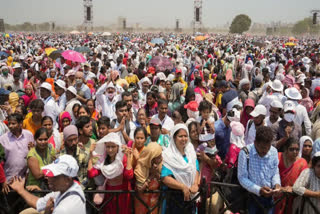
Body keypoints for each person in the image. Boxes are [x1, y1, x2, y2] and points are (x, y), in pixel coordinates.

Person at [9, 155, 86, 214]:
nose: (48, 177)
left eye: (55, 176)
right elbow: (38, 203)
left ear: (68, 180)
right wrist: (21, 190)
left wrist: (47, 212)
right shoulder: (70, 189)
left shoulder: (63, 209)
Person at [238, 126, 281, 214]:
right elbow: (242, 177)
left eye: (267, 147)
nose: (264, 150)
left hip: (269, 198)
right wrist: (259, 190)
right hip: (251, 197)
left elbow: (275, 172)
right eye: (262, 147)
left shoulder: (274, 152)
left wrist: (277, 184)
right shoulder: (245, 152)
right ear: (255, 143)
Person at [88, 132, 133, 214]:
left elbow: (129, 176)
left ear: (118, 147)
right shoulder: (103, 160)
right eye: (108, 147)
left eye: (113, 147)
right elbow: (91, 173)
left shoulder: (123, 159)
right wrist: (91, 155)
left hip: (122, 194)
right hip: (109, 195)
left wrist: (128, 157)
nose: (110, 150)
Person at [161, 124, 200, 214]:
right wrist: (182, 187)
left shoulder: (190, 152)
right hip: (175, 200)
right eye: (180, 136)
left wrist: (195, 184)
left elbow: (196, 168)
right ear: (174, 138)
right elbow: (165, 177)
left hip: (190, 198)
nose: (183, 139)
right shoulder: (168, 155)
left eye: (185, 136)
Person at [0, 113, 34, 193]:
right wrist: (3, 181)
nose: (10, 126)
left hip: (24, 179)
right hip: (8, 181)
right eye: (9, 124)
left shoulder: (28, 135)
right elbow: (0, 162)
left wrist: (32, 149)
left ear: (20, 124)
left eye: (13, 123)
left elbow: (32, 153)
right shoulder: (3, 139)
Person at [275, 138, 308, 214]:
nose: (295, 152)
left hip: (293, 197)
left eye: (297, 149)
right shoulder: (278, 157)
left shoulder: (302, 163)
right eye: (291, 149)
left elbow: (304, 183)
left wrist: (292, 189)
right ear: (285, 149)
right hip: (277, 195)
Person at [134, 142, 163, 214]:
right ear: (151, 158)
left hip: (154, 204)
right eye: (159, 157)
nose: (161, 158)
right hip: (142, 204)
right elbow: (140, 189)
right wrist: (151, 176)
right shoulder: (140, 168)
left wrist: (156, 174)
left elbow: (163, 185)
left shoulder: (161, 166)